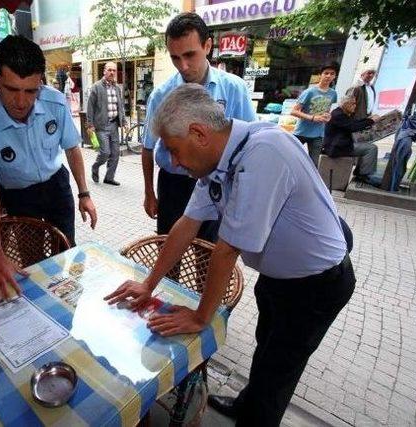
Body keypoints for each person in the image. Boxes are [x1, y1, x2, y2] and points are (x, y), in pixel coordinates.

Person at [105, 84, 355, 426]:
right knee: (264, 349)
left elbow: (226, 250)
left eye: (175, 151)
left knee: (277, 374)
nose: (174, 162)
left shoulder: (266, 151)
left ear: (198, 133)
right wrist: (148, 284)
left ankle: (256, 417)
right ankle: (246, 403)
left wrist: (200, 317)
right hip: (278, 277)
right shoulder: (220, 160)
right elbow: (185, 225)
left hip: (316, 284)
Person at [0, 35, 98, 299]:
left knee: (66, 252)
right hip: (18, 194)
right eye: (12, 89)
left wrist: (84, 193)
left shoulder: (55, 102)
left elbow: (72, 147)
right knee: (32, 263)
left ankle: (68, 306)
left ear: (40, 81)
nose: (21, 101)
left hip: (56, 185)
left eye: (31, 90)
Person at [142, 12, 256, 243]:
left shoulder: (234, 88)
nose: (183, 66)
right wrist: (149, 193)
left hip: (216, 180)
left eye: (189, 55)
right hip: (173, 185)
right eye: (175, 58)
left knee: (207, 252)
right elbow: (147, 147)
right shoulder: (161, 95)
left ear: (208, 46)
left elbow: (250, 144)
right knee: (168, 248)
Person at [291, 61, 339, 166]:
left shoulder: (333, 93)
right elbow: (293, 111)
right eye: (326, 73)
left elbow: (327, 109)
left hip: (318, 134)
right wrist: (312, 118)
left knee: (313, 164)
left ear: (335, 76)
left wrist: (328, 116)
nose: (328, 76)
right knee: (291, 159)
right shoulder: (309, 92)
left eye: (332, 74)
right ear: (320, 75)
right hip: (301, 132)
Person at [87, 62, 126, 186]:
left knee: (115, 154)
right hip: (101, 126)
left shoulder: (117, 88)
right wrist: (90, 125)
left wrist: (123, 121)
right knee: (105, 152)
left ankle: (109, 177)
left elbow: (120, 106)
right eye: (109, 70)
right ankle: (95, 166)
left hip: (114, 125)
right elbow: (90, 107)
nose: (112, 73)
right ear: (104, 71)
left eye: (114, 70)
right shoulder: (96, 87)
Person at [323, 94, 379, 180]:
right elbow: (353, 127)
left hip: (341, 144)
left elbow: (354, 123)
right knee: (371, 148)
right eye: (352, 104)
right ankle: (365, 175)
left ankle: (360, 172)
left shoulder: (342, 113)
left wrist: (369, 119)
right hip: (337, 148)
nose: (355, 106)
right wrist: (371, 121)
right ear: (345, 104)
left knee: (366, 145)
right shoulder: (338, 115)